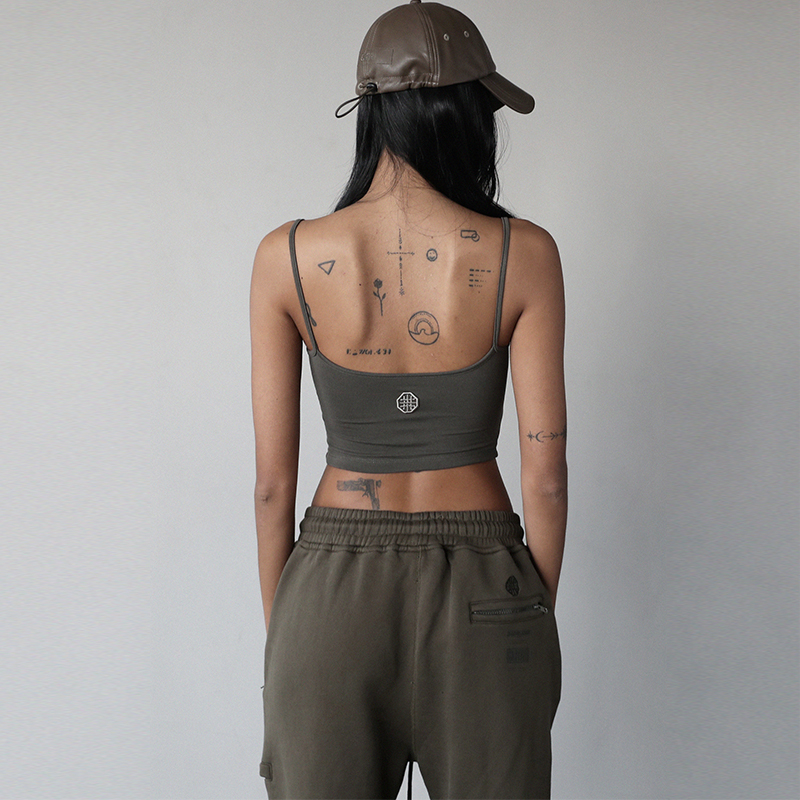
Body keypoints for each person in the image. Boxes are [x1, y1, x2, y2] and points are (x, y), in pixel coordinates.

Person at [250, 2, 567, 798]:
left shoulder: (287, 255)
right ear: (463, 116)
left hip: (327, 590)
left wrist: (288, 629)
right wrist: (531, 612)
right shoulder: (525, 253)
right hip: (484, 587)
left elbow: (271, 487)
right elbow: (547, 477)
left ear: (370, 112)